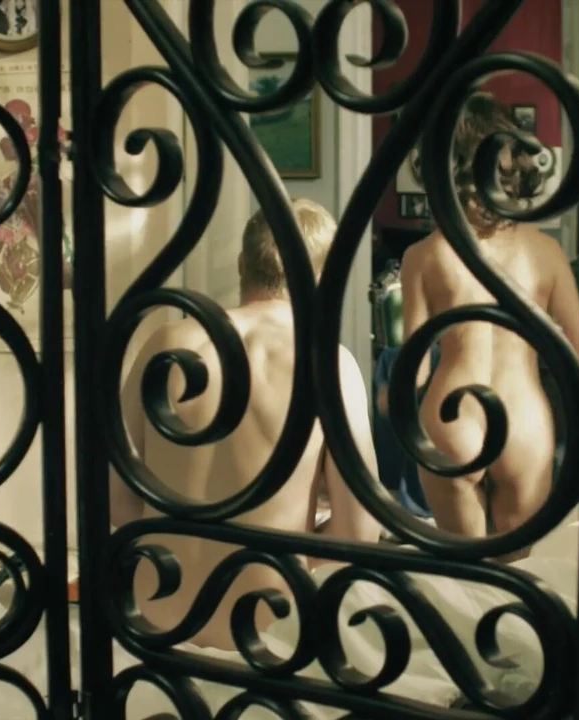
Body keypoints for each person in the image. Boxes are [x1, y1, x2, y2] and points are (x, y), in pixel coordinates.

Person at [110, 198, 383, 650]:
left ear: (242, 264)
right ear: (323, 277)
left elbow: (117, 505)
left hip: (151, 624)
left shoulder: (166, 342)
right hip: (261, 636)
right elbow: (360, 533)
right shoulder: (328, 364)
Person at [398, 93, 579, 558]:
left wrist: (388, 399)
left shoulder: (425, 255)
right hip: (524, 419)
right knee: (516, 574)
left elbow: (415, 369)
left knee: (466, 574)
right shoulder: (547, 252)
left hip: (453, 413)